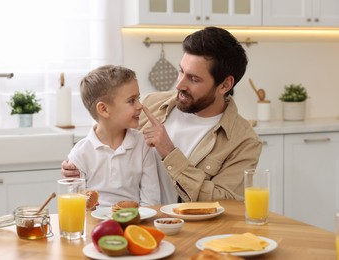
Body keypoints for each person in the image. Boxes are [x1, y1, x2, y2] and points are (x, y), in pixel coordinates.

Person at [62, 26, 262, 203]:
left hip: (191, 234)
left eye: (193, 78)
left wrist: (170, 153)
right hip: (139, 226)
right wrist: (79, 168)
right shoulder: (151, 104)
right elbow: (109, 137)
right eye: (181, 71)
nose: (179, 84)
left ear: (225, 85)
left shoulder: (243, 141)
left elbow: (226, 203)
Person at [65, 65, 161, 207]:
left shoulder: (143, 145)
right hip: (94, 225)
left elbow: (151, 202)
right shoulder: (80, 153)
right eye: (131, 100)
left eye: (138, 98)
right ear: (104, 109)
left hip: (134, 222)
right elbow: (76, 206)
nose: (140, 105)